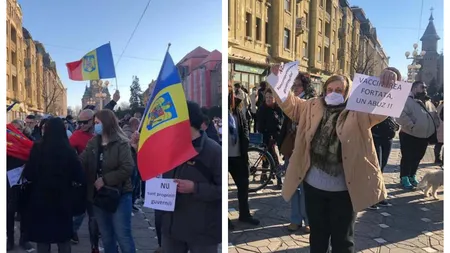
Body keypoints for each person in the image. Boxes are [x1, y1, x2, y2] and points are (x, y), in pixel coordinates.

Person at [272, 66, 400, 253]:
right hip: (313, 186)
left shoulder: (360, 111)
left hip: (345, 190)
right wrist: (278, 80)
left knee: (343, 241)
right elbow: (289, 103)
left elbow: (381, 108)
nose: (333, 94)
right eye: (330, 90)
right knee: (318, 236)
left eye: (339, 90)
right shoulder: (311, 106)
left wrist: (390, 79)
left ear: (348, 92)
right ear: (324, 91)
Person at [160, 101, 222, 253]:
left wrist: (195, 188)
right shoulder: (170, 147)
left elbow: (222, 191)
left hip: (203, 231)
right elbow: (152, 170)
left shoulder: (213, 151)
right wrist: (136, 149)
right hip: (172, 228)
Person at [21, 118, 85, 253]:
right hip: (63, 199)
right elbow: (79, 175)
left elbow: (29, 174)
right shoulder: (68, 150)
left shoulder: (38, 148)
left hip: (41, 199)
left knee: (43, 239)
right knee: (63, 239)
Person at [79, 109, 136, 253]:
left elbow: (127, 168)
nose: (95, 126)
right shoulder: (93, 141)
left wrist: (105, 180)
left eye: (98, 123)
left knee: (123, 236)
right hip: (99, 196)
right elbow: (82, 160)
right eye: (94, 123)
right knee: (106, 236)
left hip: (120, 194)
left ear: (107, 123)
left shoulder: (121, 142)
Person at [278, 73, 314, 233]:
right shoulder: (291, 102)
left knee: (306, 187)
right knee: (293, 185)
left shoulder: (313, 102)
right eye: (293, 85)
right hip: (291, 148)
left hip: (306, 149)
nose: (295, 88)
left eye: (298, 85)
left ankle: (308, 219)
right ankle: (295, 219)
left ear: (305, 86)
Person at [397, 81, 440, 189]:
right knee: (408, 157)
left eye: (425, 87)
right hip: (409, 134)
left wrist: (435, 125)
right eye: (422, 87)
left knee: (418, 157)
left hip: (424, 136)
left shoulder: (428, 102)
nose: (425, 89)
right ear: (414, 88)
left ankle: (412, 175)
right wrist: (412, 126)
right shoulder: (407, 101)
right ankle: (404, 177)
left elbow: (434, 115)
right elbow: (400, 115)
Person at [228, 84, 260, 229]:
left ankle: (244, 214)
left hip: (238, 155)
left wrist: (245, 143)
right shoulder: (216, 110)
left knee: (243, 185)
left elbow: (245, 126)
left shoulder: (238, 108)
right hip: (223, 157)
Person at [69, 109, 100, 252]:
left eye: (84, 122)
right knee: (82, 213)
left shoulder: (101, 133)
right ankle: (71, 231)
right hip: (84, 181)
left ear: (93, 121)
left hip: (102, 181)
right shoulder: (76, 136)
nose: (81, 125)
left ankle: (95, 244)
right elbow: (69, 156)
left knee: (95, 216)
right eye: (79, 122)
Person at [7, 120, 34, 251]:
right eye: (13, 129)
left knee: (24, 211)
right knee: (9, 212)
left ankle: (24, 239)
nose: (14, 133)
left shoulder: (28, 142)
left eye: (18, 129)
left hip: (24, 181)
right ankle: (9, 240)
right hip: (9, 182)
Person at [368, 116, 399, 209]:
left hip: (388, 137)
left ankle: (379, 195)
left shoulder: (389, 106)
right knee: (375, 168)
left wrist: (394, 124)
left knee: (381, 168)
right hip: (375, 137)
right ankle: (371, 198)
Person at [257, 89, 283, 188]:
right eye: (267, 97)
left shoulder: (278, 108)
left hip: (276, 136)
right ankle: (279, 179)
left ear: (275, 98)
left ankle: (263, 175)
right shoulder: (262, 109)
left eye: (270, 97)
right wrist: (266, 134)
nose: (268, 99)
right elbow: (260, 125)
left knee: (267, 156)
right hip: (266, 136)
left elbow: (281, 121)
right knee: (274, 158)